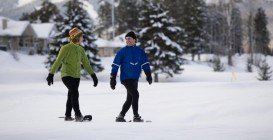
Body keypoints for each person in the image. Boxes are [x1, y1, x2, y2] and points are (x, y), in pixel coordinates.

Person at [46, 27, 98, 122]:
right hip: (66, 75)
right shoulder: (65, 48)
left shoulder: (81, 49)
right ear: (76, 37)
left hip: (76, 76)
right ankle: (78, 115)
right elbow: (58, 61)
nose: (82, 38)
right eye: (81, 36)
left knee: (71, 95)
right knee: (74, 92)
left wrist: (93, 75)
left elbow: (86, 63)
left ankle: (68, 115)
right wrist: (51, 74)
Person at [110, 31, 152, 122]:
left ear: (135, 40)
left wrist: (148, 74)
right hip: (126, 78)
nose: (127, 40)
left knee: (130, 98)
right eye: (126, 39)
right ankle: (136, 116)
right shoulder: (122, 52)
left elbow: (145, 64)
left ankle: (120, 116)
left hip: (135, 78)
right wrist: (112, 78)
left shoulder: (140, 51)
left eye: (129, 38)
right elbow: (115, 65)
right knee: (135, 94)